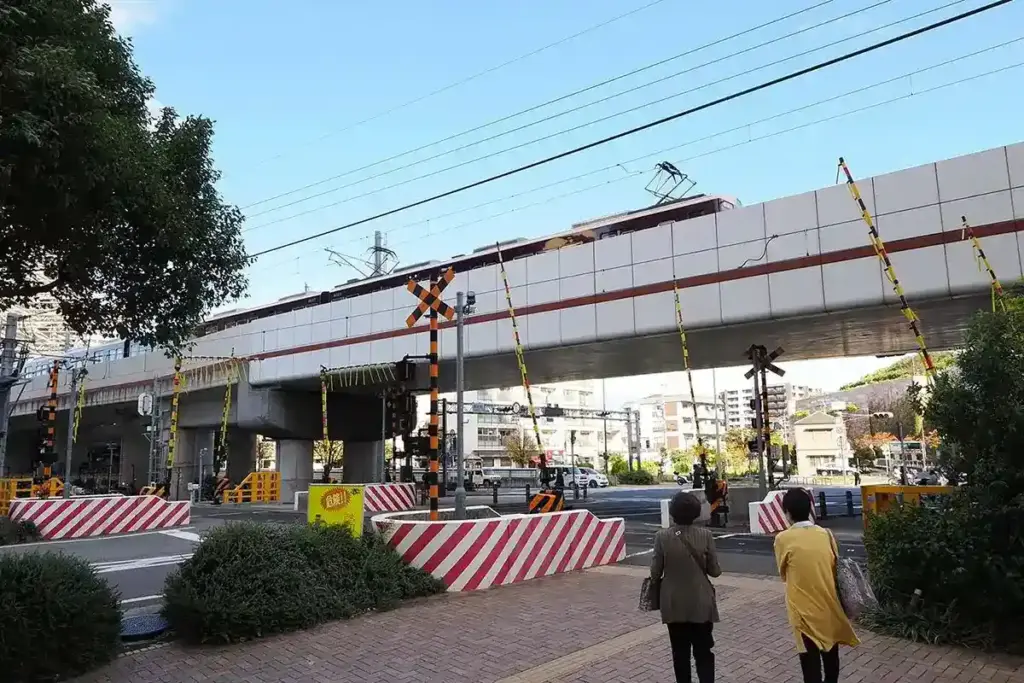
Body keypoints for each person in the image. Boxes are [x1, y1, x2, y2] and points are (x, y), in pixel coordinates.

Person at [774, 488, 859, 683]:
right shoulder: (826, 534)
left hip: (802, 609)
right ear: (810, 508)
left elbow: (783, 573)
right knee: (831, 655)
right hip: (829, 604)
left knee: (809, 663)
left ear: (787, 512)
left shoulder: (783, 539)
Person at [650, 491, 721, 683]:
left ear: (673, 512)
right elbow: (715, 571)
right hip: (701, 601)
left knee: (680, 653)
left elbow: (655, 573)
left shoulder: (662, 537)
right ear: (696, 513)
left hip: (673, 603)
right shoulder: (705, 535)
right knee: (704, 650)